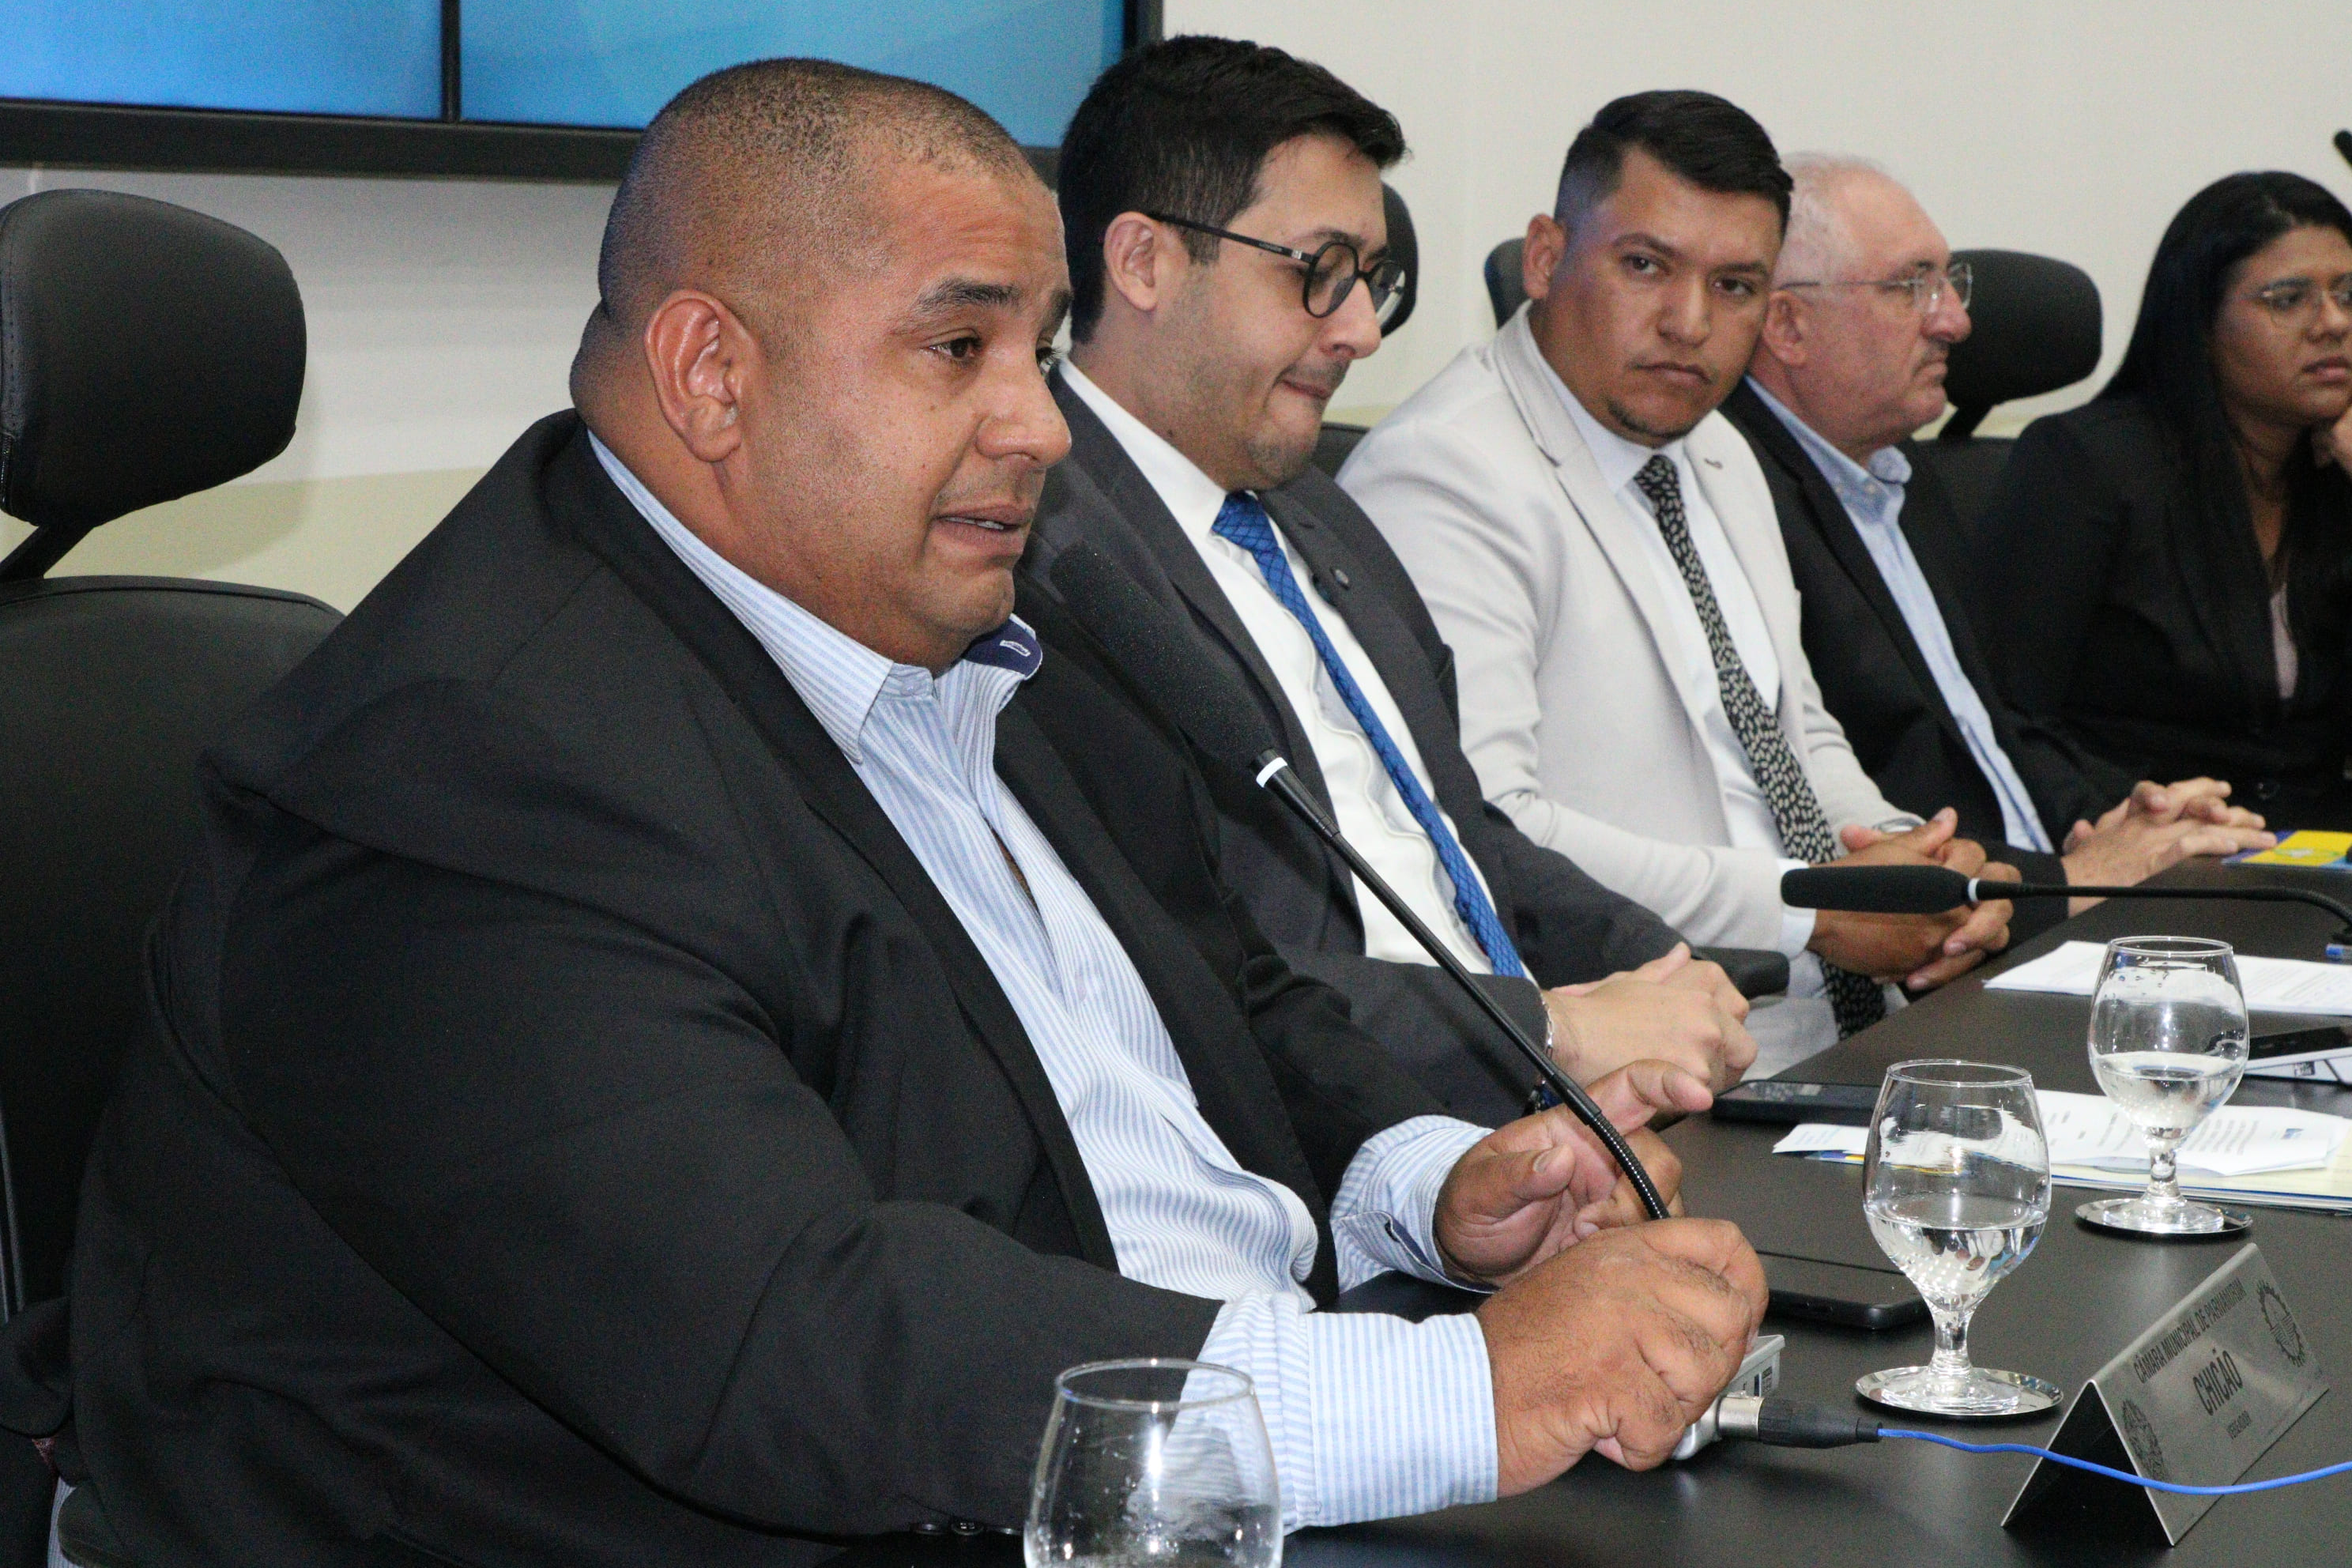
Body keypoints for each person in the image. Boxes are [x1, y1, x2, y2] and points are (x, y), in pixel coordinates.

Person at [59, 61, 1768, 1562]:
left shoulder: (971, 620)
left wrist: (1428, 1184)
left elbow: (1225, 997)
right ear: (711, 372)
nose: (1039, 423)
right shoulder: (464, 762)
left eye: (1041, 348)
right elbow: (789, 1332)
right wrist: (1464, 1389)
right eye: (959, 346)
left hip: (1146, 1441)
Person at [1025, 35, 1755, 1125]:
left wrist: (1665, 972)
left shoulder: (1322, 512)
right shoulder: (1045, 558)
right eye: (1318, 273)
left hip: (1556, 1118)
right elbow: (1181, 969)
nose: (1363, 331)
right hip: (1355, 1156)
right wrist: (1547, 1032)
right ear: (1142, 264)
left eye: (1371, 280)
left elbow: (1464, 838)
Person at [1342, 92, 2009, 1072]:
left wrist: (1920, 874)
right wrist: (1809, 908)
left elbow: (1795, 731)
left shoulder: (1717, 450)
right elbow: (1489, 827)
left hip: (1836, 1034)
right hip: (1641, 1063)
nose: (1690, 323)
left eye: (1735, 286)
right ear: (1545, 258)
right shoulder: (1444, 472)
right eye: (1646, 266)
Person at [1721, 155, 2275, 937]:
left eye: (1950, 284)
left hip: (2026, 900)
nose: (1954, 321)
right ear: (1788, 326)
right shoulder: (1734, 496)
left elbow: (1993, 728)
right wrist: (2067, 882)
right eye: (1911, 286)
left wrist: (2127, 816)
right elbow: (1838, 809)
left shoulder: (1897, 471)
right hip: (1932, 938)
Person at [1979, 172, 2352, 828]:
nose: (2334, 323)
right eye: (2289, 299)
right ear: (2199, 324)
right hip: (2146, 847)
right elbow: (2007, 715)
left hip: (2322, 858)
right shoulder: (2088, 465)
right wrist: (2142, 823)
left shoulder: (2337, 470)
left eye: (2349, 295)